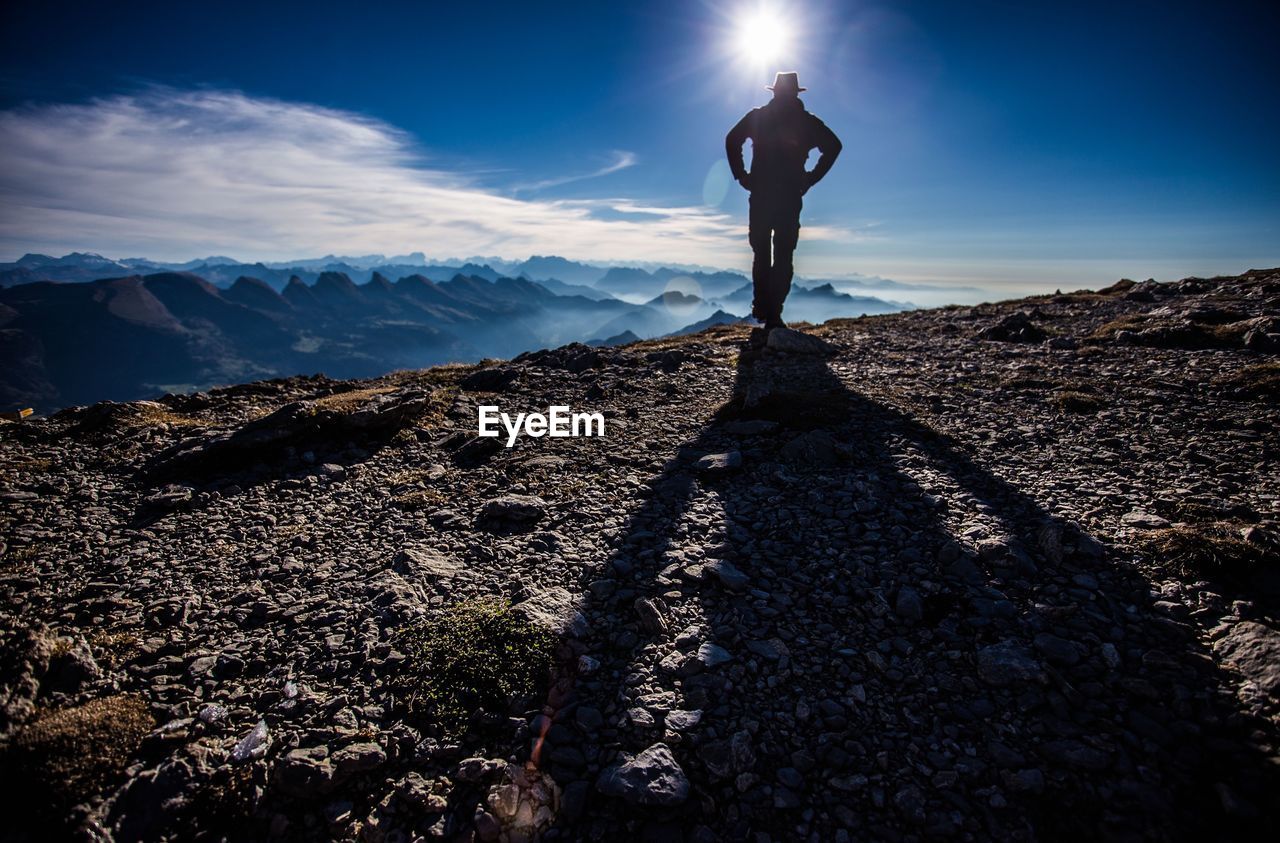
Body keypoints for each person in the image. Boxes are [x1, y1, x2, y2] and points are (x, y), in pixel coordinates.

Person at [725, 71, 842, 329]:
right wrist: (811, 178)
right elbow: (834, 146)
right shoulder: (807, 122)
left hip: (762, 194)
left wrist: (742, 176)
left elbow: (732, 140)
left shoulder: (759, 117)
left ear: (775, 92)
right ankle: (773, 312)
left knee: (762, 252)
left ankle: (764, 308)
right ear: (795, 93)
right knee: (783, 254)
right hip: (789, 195)